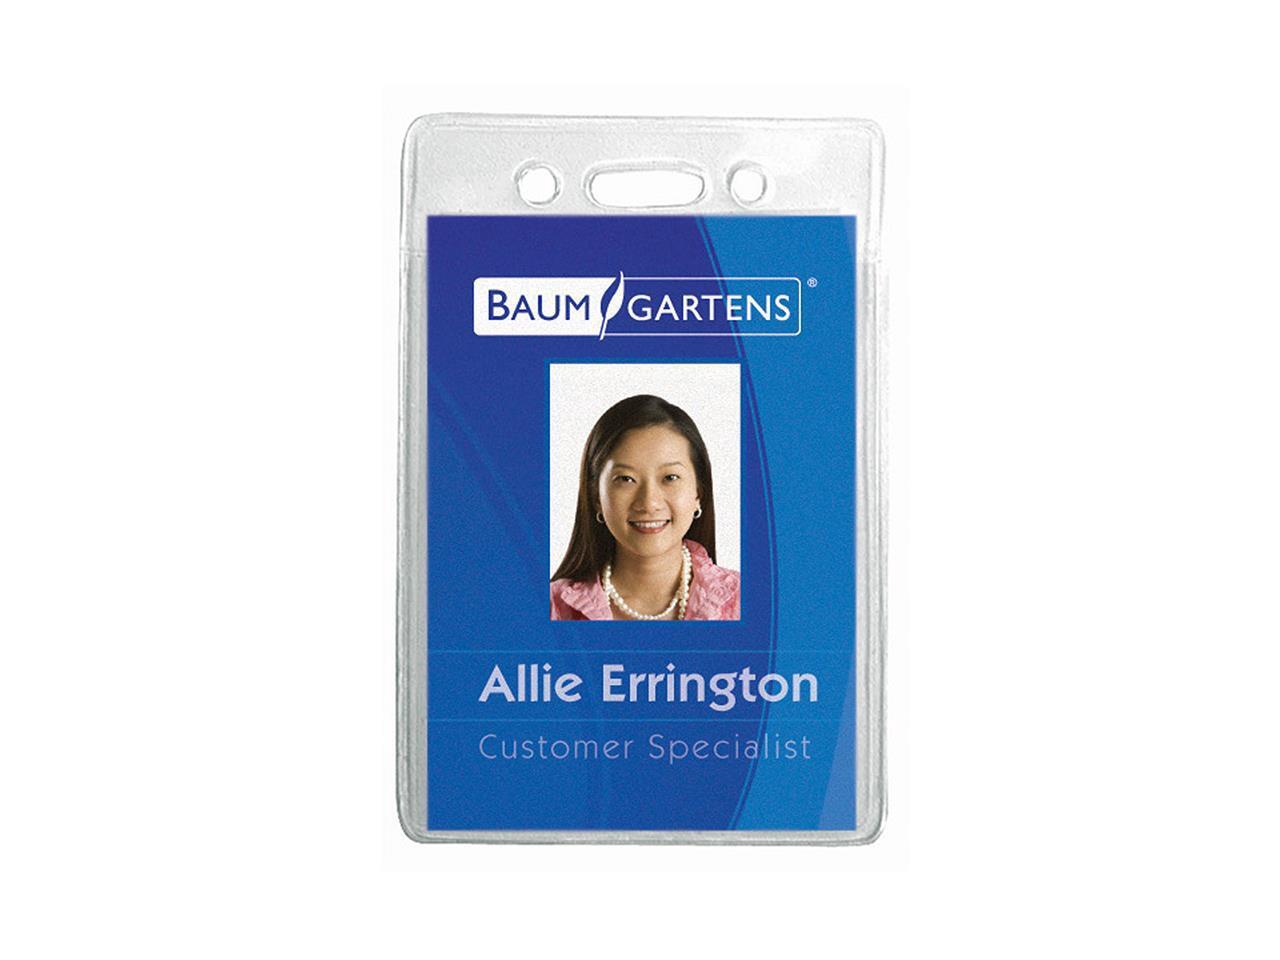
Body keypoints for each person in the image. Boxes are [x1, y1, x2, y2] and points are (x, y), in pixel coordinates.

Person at [551, 395, 740, 621]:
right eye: (626, 479)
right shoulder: (548, 608)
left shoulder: (749, 600)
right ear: (596, 497)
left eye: (670, 477)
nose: (649, 503)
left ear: (698, 493)